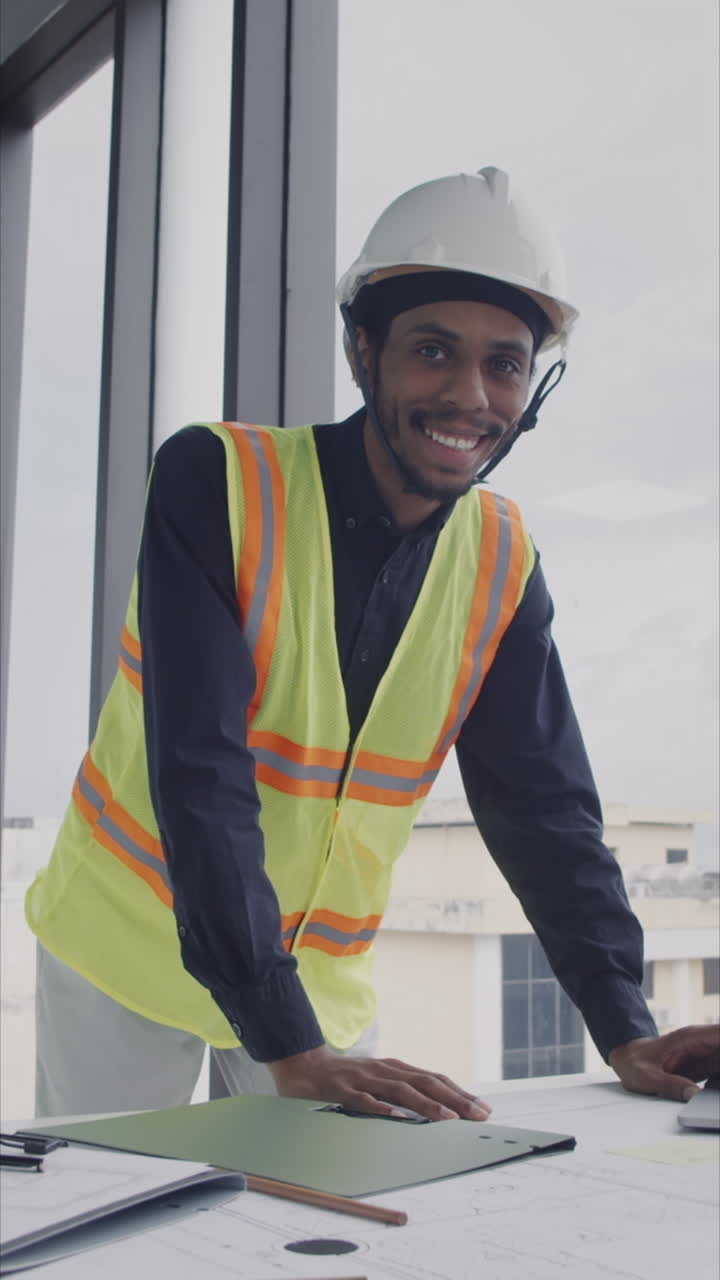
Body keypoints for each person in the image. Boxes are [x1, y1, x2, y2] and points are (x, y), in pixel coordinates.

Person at [27, 167, 719, 1120]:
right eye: (433, 351)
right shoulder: (218, 480)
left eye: (505, 364)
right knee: (102, 1228)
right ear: (364, 351)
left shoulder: (503, 560)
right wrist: (292, 1047)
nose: (470, 395)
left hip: (318, 980)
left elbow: (544, 808)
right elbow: (201, 772)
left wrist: (625, 1023)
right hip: (127, 946)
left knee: (321, 1248)